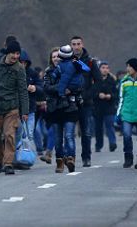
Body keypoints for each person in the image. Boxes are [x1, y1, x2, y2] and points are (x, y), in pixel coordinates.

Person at [0, 40, 29, 175]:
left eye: (17, 54)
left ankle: (8, 163)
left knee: (10, 135)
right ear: (7, 53)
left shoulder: (19, 69)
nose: (15, 56)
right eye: (13, 53)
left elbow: (23, 91)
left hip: (11, 107)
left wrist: (25, 111)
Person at [44, 47, 80, 173]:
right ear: (51, 59)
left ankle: (71, 159)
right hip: (54, 109)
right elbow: (47, 88)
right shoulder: (48, 72)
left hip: (70, 107)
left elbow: (78, 85)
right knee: (58, 139)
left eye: (57, 56)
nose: (56, 59)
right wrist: (61, 87)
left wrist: (70, 89)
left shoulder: (72, 69)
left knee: (69, 135)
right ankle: (59, 161)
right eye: (53, 57)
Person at [70, 36, 102, 167]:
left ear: (82, 44)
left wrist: (88, 95)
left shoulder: (89, 62)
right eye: (73, 44)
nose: (76, 47)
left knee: (86, 131)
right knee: (69, 131)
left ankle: (86, 157)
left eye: (78, 44)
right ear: (70, 45)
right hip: (70, 101)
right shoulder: (67, 60)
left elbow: (98, 81)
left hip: (86, 102)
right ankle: (70, 157)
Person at [15, 49, 42, 169]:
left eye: (24, 62)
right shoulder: (13, 73)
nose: (22, 64)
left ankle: (28, 157)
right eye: (20, 62)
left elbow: (42, 88)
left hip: (30, 109)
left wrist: (34, 88)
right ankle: (18, 158)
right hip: (16, 109)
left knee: (29, 135)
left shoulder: (32, 73)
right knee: (19, 135)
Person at [93, 61, 118, 152]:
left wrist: (110, 96)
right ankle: (98, 145)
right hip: (97, 107)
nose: (105, 70)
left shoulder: (112, 80)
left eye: (107, 68)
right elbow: (90, 93)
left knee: (110, 125)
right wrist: (98, 95)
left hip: (109, 107)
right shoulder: (94, 80)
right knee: (98, 128)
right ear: (99, 69)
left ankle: (112, 143)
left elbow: (116, 94)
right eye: (103, 68)